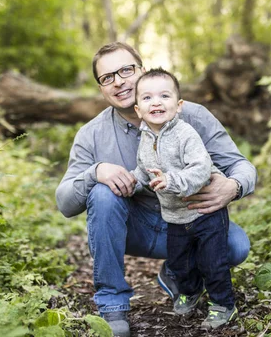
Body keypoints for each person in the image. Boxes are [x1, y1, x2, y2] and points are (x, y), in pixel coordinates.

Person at [55, 42, 257, 337]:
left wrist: (233, 186)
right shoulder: (92, 134)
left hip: (188, 220)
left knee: (236, 247)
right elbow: (65, 202)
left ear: (143, 70)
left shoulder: (192, 116)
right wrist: (95, 171)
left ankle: (177, 272)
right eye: (107, 77)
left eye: (126, 70)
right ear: (101, 88)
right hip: (132, 227)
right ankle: (112, 305)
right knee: (101, 192)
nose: (119, 81)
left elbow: (242, 165)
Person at [130, 68, 238, 330]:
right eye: (147, 98)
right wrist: (133, 182)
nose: (156, 102)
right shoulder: (145, 139)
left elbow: (200, 169)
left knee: (213, 263)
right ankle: (189, 291)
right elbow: (144, 170)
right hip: (175, 216)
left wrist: (172, 180)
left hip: (205, 213)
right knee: (180, 263)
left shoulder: (185, 133)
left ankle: (223, 304)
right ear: (138, 110)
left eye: (164, 96)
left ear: (178, 106)